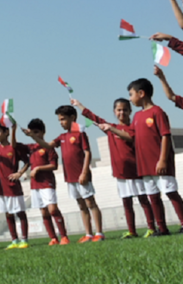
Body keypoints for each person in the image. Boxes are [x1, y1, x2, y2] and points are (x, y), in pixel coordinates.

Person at [103, 77, 183, 235]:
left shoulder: (157, 112)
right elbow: (130, 136)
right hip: (144, 165)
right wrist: (111, 129)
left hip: (160, 163)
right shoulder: (137, 117)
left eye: (131, 94)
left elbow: (166, 136)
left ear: (141, 93)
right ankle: (162, 228)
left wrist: (162, 160)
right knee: (153, 196)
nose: (130, 98)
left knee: (171, 192)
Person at [71, 97, 156, 238]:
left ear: (130, 111)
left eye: (125, 110)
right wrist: (79, 105)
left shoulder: (134, 127)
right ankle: (132, 231)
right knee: (126, 203)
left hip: (136, 171)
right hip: (121, 173)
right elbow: (93, 117)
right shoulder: (110, 127)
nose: (122, 112)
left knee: (143, 200)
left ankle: (152, 228)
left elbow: (130, 137)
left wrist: (112, 129)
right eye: (119, 110)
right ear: (114, 111)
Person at [24, 106, 104, 243]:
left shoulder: (80, 134)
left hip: (81, 176)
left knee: (91, 202)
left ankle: (99, 233)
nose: (61, 122)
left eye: (63, 119)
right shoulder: (62, 137)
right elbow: (48, 145)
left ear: (72, 118)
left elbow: (87, 153)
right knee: (81, 205)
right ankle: (89, 234)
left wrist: (85, 172)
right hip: (70, 177)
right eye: (59, 120)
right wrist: (32, 136)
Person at [12, 119, 69, 245]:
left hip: (47, 182)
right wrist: (14, 130)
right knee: (43, 211)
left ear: (43, 132)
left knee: (53, 209)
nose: (35, 135)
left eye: (37, 132)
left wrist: (38, 168)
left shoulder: (48, 147)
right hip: (35, 184)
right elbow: (14, 145)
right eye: (32, 132)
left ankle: (64, 236)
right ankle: (53, 238)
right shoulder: (31, 148)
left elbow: (54, 166)